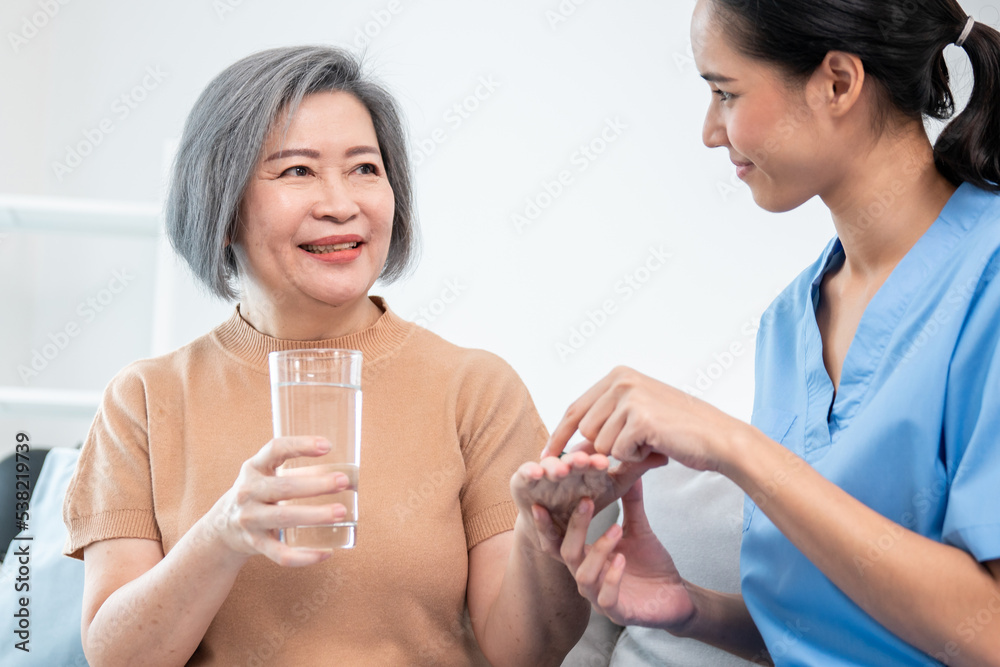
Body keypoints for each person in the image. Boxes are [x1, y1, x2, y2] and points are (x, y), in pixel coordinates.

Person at [61, 45, 599, 667]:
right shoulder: (145, 400)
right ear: (223, 204)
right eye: (297, 172)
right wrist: (221, 535)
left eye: (365, 169)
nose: (342, 203)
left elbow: (524, 655)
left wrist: (549, 538)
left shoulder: (475, 389)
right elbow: (117, 659)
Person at [535, 1, 1000, 665]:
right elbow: (833, 622)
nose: (709, 131)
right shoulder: (789, 324)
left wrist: (735, 447)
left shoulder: (988, 276)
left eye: (725, 92)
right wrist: (688, 606)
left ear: (838, 82)